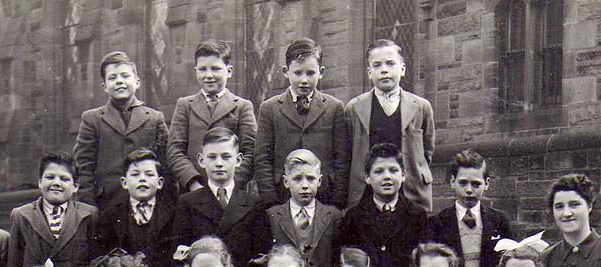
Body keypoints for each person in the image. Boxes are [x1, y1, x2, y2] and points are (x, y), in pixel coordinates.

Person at [175, 127, 269, 267]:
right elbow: (182, 258)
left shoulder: (254, 203)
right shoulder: (187, 202)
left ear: (239, 159)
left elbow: (259, 256)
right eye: (212, 157)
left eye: (226, 157)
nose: (219, 163)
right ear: (201, 160)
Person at [254, 38, 349, 208]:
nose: (304, 80)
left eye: (310, 73)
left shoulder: (334, 107)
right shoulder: (269, 108)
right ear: (285, 71)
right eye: (298, 73)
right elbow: (262, 158)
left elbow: (341, 158)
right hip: (281, 196)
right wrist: (270, 201)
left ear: (321, 72)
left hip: (324, 195)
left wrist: (337, 201)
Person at [334, 143, 428, 267]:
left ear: (404, 175)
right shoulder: (354, 217)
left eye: (393, 170)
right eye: (379, 171)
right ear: (367, 178)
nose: (387, 177)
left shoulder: (417, 216)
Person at [6, 152, 98, 267]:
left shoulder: (89, 215)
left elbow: (94, 265)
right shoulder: (21, 216)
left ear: (76, 186)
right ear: (40, 182)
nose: (56, 183)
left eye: (64, 179)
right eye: (50, 177)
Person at [345, 39, 435, 212]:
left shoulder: (421, 107)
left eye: (390, 64)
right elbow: (349, 152)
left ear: (402, 69)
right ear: (369, 72)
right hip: (366, 193)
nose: (384, 70)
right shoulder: (354, 108)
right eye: (377, 65)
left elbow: (427, 151)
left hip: (410, 191)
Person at [73, 51, 170, 208]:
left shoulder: (155, 118)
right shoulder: (92, 119)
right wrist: (87, 208)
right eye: (112, 78)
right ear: (104, 86)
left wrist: (167, 205)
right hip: (106, 204)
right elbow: (84, 168)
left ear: (137, 82)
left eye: (125, 76)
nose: (119, 81)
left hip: (149, 203)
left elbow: (166, 165)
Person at [429, 150, 514, 267]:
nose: (469, 190)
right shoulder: (437, 223)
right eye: (463, 183)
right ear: (452, 182)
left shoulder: (499, 220)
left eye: (476, 184)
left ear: (486, 184)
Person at [94, 148, 178, 267]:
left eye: (149, 174)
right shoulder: (110, 216)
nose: (142, 179)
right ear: (124, 182)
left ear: (160, 182)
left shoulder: (174, 214)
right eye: (135, 174)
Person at [167, 39, 256, 193]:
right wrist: (193, 183)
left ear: (229, 71)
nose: (209, 75)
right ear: (195, 72)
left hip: (232, 192)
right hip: (193, 191)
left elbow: (251, 151)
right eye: (203, 69)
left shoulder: (242, 106)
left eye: (215, 69)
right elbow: (175, 150)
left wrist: (231, 184)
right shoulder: (185, 106)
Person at [266, 149, 344, 267]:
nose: (305, 185)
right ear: (286, 181)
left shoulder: (333, 216)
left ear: (319, 181)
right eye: (297, 179)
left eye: (310, 178)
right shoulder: (272, 215)